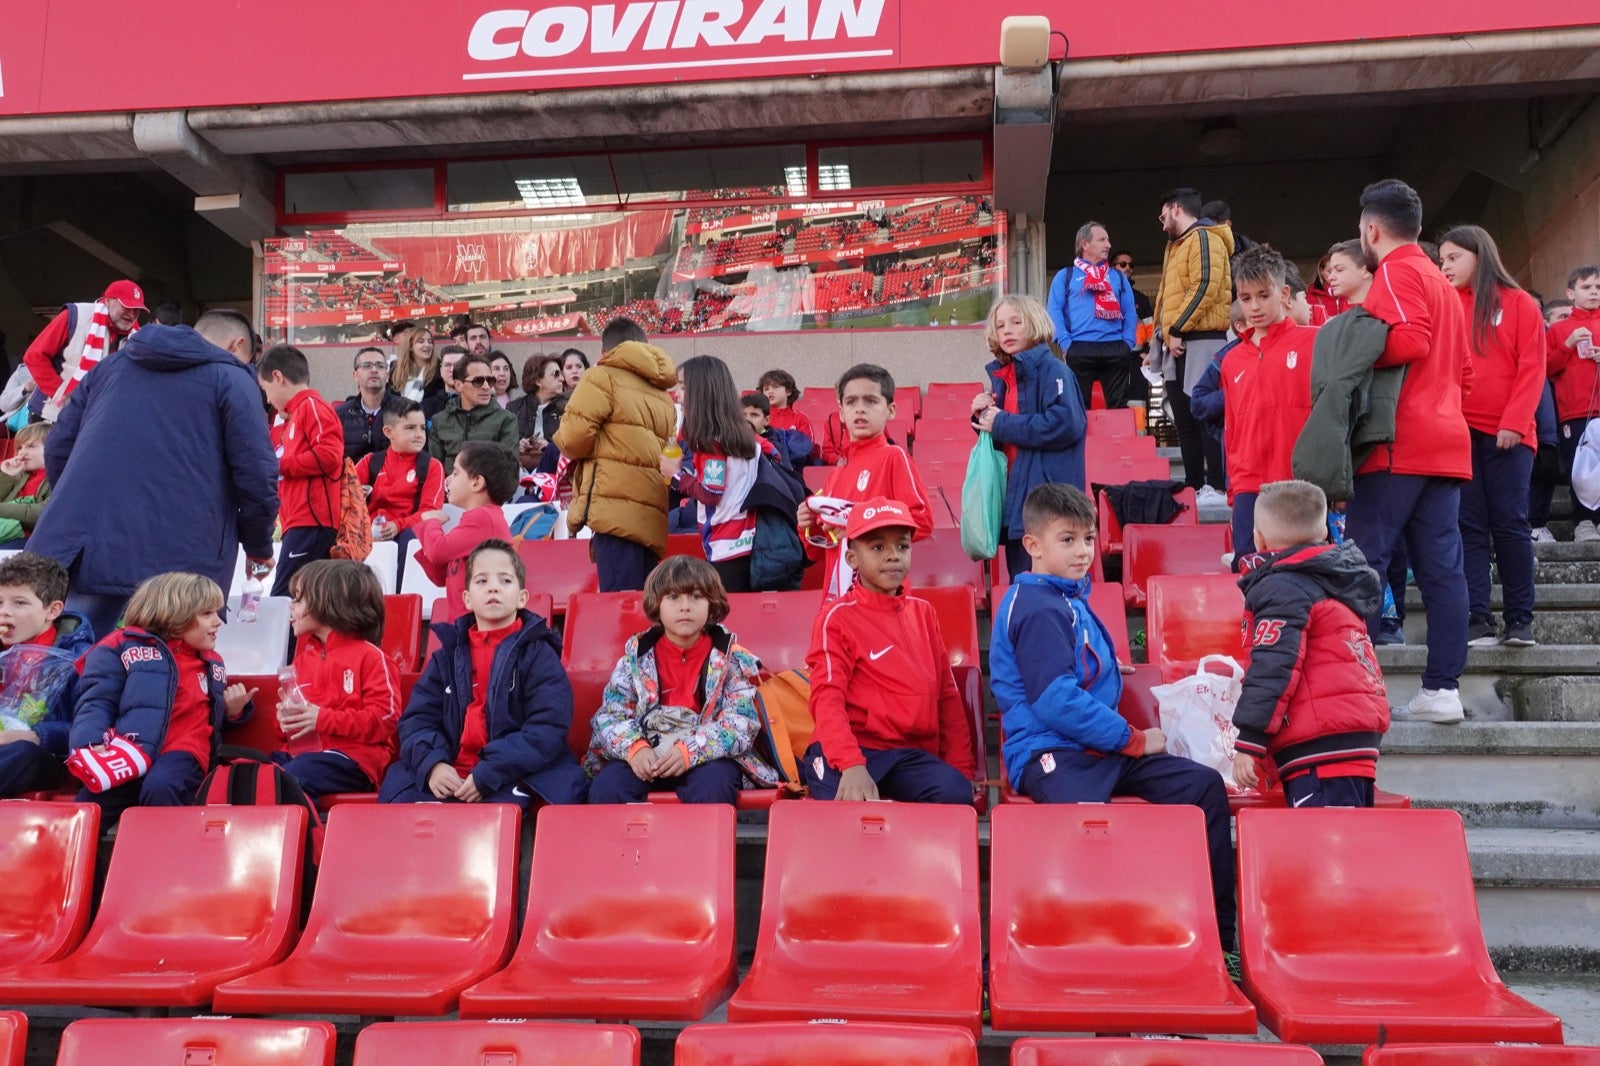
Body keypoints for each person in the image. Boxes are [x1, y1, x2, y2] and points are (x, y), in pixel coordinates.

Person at [988, 482, 1236, 956]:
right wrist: (1135, 739)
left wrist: (1100, 663)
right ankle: (1046, 947)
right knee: (1087, 825)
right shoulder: (1039, 607)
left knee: (1202, 788)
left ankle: (1218, 943)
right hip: (1050, 750)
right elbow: (1054, 699)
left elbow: (1066, 666)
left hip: (1097, 749)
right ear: (1033, 545)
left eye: (1088, 538)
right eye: (1067, 539)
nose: (1082, 551)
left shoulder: (1066, 599)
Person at [29, 311, 278, 639]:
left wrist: (78, 506)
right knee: (167, 668)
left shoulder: (111, 366)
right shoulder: (232, 378)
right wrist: (259, 546)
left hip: (85, 544)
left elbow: (58, 444)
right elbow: (257, 473)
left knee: (59, 662)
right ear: (238, 345)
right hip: (181, 556)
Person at [1344, 178, 1473, 724]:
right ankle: (1443, 689)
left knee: (1363, 564)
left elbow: (1409, 338)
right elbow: (1463, 368)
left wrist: (1348, 345)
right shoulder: (1440, 281)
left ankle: (1357, 688)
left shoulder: (1396, 271)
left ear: (1371, 230)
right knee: (1443, 571)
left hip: (1398, 441)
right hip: (1446, 439)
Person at [378, 539, 586, 806]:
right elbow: (418, 720)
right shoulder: (446, 657)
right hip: (452, 771)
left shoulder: (538, 654)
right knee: (402, 801)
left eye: (505, 581)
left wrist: (490, 772)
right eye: (481, 581)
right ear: (467, 598)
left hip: (514, 773)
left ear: (522, 597)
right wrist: (434, 765)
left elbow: (547, 727)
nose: (493, 588)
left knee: (503, 810)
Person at [800, 497, 976, 803]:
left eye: (902, 546)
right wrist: (852, 764)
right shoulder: (836, 618)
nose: (893, 556)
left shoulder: (924, 613)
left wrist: (960, 768)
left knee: (954, 793)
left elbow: (947, 695)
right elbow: (827, 698)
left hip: (908, 755)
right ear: (852, 558)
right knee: (845, 801)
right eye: (878, 547)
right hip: (850, 748)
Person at [1231, 480, 1391, 808]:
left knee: (1326, 851)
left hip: (1320, 748)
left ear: (1258, 539)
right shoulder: (1335, 579)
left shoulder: (1283, 588)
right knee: (1348, 848)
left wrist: (1250, 740)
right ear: (1326, 534)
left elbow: (1275, 665)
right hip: (1350, 739)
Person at [585, 555, 778, 804]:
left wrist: (690, 750)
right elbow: (609, 717)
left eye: (696, 597)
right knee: (608, 786)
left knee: (714, 785)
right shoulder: (634, 660)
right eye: (673, 597)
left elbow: (741, 724)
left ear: (711, 604)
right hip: (646, 755)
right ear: (657, 604)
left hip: (705, 758)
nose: (685, 606)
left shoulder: (731, 660)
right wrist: (635, 749)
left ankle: (701, 844)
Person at [69, 572, 254, 824]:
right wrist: (90, 741)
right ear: (175, 614)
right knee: (85, 810)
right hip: (128, 753)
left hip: (183, 754)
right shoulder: (120, 646)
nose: (218, 621)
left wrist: (233, 711)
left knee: (161, 787)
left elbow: (208, 718)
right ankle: (89, 864)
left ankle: (162, 862)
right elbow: (96, 701)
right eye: (207, 614)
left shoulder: (212, 662)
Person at [1438, 225, 1544, 647]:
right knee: (1468, 527)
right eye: (1442, 260)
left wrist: (1515, 421)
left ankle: (1520, 619)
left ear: (1479, 256)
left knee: (1510, 525)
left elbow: (1532, 367)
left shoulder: (1518, 303)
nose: (1444, 267)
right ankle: (1478, 617)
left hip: (1509, 434)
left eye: (1453, 258)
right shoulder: (1444, 306)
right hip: (1458, 433)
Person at [553, 317, 678, 593]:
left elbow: (572, 440)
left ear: (603, 352)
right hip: (652, 514)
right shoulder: (662, 393)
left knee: (619, 606)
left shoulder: (601, 377)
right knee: (646, 607)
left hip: (614, 510)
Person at [971, 295, 1087, 577]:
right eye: (1000, 325)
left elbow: (1065, 423)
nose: (1007, 330)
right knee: (1025, 591)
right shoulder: (1003, 378)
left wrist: (1000, 423)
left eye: (1016, 322)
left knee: (1058, 594)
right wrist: (981, 417)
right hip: (1018, 507)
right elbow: (1004, 435)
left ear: (1034, 323)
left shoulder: (1055, 370)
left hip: (1051, 507)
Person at [796, 365, 933, 600]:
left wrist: (859, 524)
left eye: (870, 401)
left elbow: (921, 521)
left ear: (890, 410)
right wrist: (808, 525)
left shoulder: (894, 457)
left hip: (883, 598)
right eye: (851, 402)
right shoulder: (835, 476)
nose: (860, 409)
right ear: (840, 413)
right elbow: (821, 550)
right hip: (839, 599)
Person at [1219, 248, 1318, 560]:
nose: (1254, 306)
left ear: (1284, 293)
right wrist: (1234, 487)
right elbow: (1231, 428)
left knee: (1305, 569)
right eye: (1246, 298)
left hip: (1300, 479)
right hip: (1249, 483)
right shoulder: (1231, 360)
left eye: (1263, 295)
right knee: (1247, 569)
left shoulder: (1314, 342)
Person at [274, 561, 401, 801]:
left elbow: (384, 720)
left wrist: (322, 719)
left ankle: (309, 838)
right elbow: (290, 730)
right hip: (302, 757)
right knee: (249, 772)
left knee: (290, 778)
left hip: (354, 761)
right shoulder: (301, 662)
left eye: (299, 600)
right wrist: (284, 720)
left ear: (329, 604)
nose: (291, 606)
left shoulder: (371, 658)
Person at [662, 355, 777, 593]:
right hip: (750, 538)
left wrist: (676, 475)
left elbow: (711, 493)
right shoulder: (744, 435)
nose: (678, 395)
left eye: (683, 387)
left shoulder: (713, 443)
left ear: (701, 391)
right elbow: (774, 454)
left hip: (727, 543)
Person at [1151, 188, 1233, 502]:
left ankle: (1217, 486)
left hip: (1201, 341)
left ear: (1175, 208)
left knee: (1204, 418)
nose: (1161, 225)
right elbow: (1166, 296)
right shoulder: (1178, 245)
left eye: (1162, 216)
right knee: (1183, 421)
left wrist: (1175, 328)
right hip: (1176, 342)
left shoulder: (1204, 237)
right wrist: (1159, 340)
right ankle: (1195, 487)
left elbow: (1206, 286)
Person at [0, 553, 94, 797]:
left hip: (47, 758)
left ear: (53, 610)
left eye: (19, 603)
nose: (5, 612)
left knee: (23, 753)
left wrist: (33, 736)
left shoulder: (79, 658)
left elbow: (89, 730)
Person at [258, 344, 344, 598]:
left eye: (266, 390)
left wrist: (277, 466)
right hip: (301, 523)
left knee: (285, 599)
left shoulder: (312, 406)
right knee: (310, 601)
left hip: (312, 522)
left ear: (277, 377)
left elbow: (330, 456)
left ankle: (287, 641)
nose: (268, 399)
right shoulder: (296, 414)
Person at [415, 441, 517, 625]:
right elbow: (441, 577)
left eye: (455, 473)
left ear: (477, 482)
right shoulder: (474, 520)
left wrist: (432, 522)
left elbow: (437, 551)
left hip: (476, 629)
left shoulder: (484, 518)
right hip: (462, 627)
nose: (448, 479)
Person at [23, 279, 145, 423]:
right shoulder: (76, 315)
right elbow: (34, 356)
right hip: (52, 414)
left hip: (96, 420)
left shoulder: (139, 337)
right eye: (126, 307)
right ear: (107, 301)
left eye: (136, 309)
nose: (131, 314)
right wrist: (62, 395)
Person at [1046, 222, 1139, 409]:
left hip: (1116, 347)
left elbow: (1130, 312)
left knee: (1119, 407)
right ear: (1084, 244)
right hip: (1079, 347)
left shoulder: (1118, 277)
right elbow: (1053, 311)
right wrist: (1066, 343)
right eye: (1102, 240)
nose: (1108, 245)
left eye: (1108, 240)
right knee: (1078, 408)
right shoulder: (1066, 276)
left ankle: (1117, 440)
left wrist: (1127, 342)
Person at [1545, 265, 1600, 542]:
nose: (1594, 293)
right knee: (1580, 469)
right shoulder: (1558, 330)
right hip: (1575, 410)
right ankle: (1583, 522)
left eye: (1598, 288)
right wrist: (1566, 344)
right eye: (1587, 287)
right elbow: (1545, 368)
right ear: (1571, 293)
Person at [356, 401, 444, 554]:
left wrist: (398, 525)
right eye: (410, 428)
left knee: (414, 536)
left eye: (423, 428)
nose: (419, 435)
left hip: (407, 535)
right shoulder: (370, 461)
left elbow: (430, 513)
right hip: (367, 534)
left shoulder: (432, 466)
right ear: (388, 432)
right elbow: (345, 501)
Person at [428, 352, 520, 475]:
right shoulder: (440, 421)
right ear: (458, 385)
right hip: (450, 490)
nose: (486, 387)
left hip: (489, 490)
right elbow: (435, 470)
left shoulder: (506, 420)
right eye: (478, 381)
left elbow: (508, 469)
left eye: (490, 380)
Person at [337, 347, 407, 463]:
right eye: (367, 365)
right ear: (355, 375)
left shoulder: (405, 410)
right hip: (353, 478)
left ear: (387, 375)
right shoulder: (340, 415)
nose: (374, 370)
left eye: (380, 366)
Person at [506, 354, 567, 473]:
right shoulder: (514, 408)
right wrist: (519, 444)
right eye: (556, 374)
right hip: (519, 470)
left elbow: (572, 445)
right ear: (538, 381)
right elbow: (504, 444)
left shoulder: (567, 408)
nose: (562, 379)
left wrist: (549, 446)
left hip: (555, 471)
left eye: (561, 374)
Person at [0, 422, 54, 548]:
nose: (22, 453)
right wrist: (7, 474)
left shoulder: (57, 476)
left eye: (30, 446)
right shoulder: (20, 476)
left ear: (51, 447)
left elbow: (42, 513)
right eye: (19, 448)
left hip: (30, 540)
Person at [1112, 250, 1155, 406]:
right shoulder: (1105, 296)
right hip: (1113, 358)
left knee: (1138, 403)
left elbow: (1152, 329)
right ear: (1112, 267)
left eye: (1130, 265)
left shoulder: (1141, 299)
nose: (1127, 267)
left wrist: (1148, 353)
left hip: (1137, 360)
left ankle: (1139, 432)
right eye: (1123, 264)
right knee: (1114, 402)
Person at [741, 391, 812, 469]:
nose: (747, 419)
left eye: (754, 415)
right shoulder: (732, 442)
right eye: (743, 415)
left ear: (767, 420)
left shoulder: (777, 445)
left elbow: (782, 476)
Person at [758, 368, 815, 447]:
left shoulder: (800, 418)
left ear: (788, 391)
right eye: (766, 389)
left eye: (775, 387)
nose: (770, 391)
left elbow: (808, 447)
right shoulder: (760, 418)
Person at [388, 323, 440, 405]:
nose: (427, 345)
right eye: (421, 341)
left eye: (430, 342)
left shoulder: (439, 368)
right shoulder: (395, 367)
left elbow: (438, 400)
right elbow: (390, 397)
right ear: (411, 346)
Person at [424, 345, 467, 422]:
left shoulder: (479, 403)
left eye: (458, 365)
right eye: (447, 365)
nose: (452, 370)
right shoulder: (426, 407)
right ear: (441, 371)